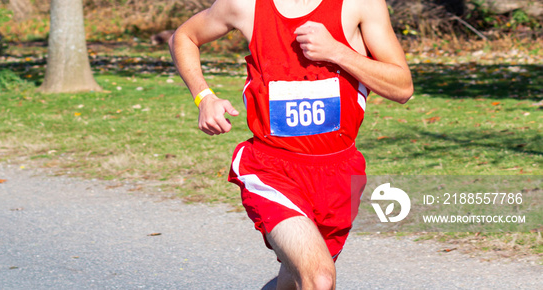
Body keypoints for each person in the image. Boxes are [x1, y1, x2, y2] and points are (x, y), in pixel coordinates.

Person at [169, 0, 413, 288]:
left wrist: (337, 52)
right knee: (319, 279)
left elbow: (402, 87)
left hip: (339, 174)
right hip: (271, 170)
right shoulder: (245, 5)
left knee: (297, 278)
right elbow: (183, 37)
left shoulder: (361, 4)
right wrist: (204, 97)